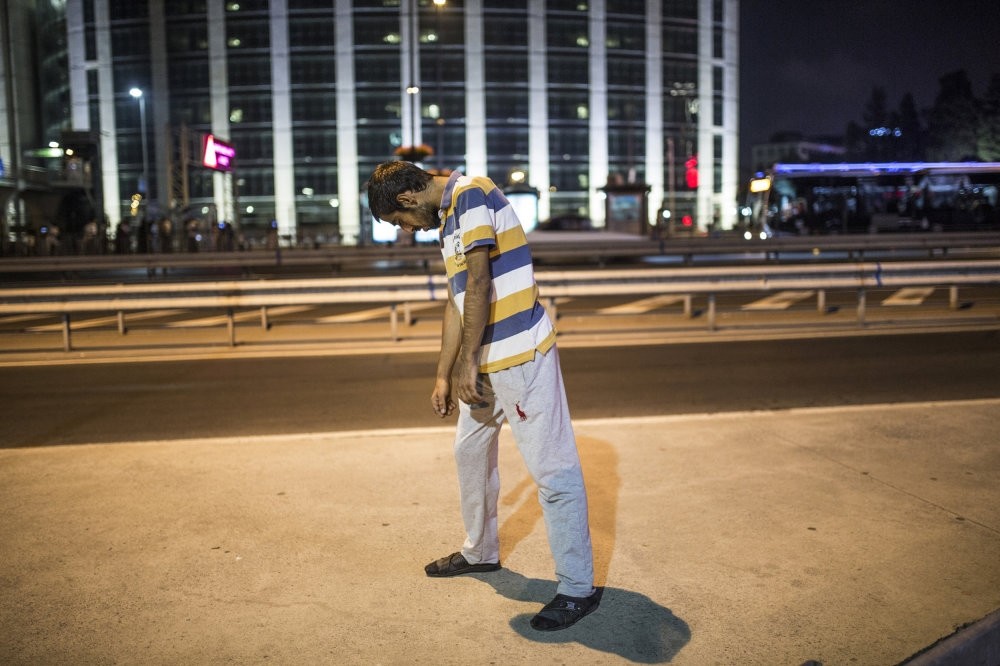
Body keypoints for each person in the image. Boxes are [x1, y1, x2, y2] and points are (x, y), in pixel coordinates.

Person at [367, 160, 600, 631]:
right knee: (468, 453)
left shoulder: (472, 192)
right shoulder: (448, 220)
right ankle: (480, 552)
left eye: (399, 222)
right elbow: (457, 301)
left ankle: (578, 587)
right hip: (484, 362)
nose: (406, 231)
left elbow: (480, 281)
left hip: (519, 356)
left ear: (407, 198)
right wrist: (443, 373)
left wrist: (467, 364)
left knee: (554, 473)